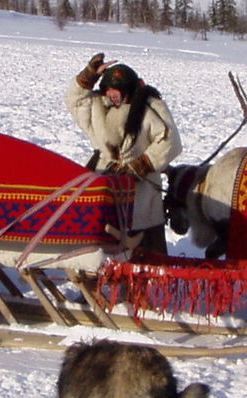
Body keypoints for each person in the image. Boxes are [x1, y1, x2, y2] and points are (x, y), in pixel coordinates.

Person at [66, 54, 182, 254]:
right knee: (101, 232)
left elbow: (171, 142)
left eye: (116, 89)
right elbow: (75, 100)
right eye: (108, 89)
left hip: (141, 186)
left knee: (146, 242)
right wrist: (89, 75)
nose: (112, 94)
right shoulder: (97, 106)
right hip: (105, 180)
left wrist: (141, 165)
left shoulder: (150, 108)